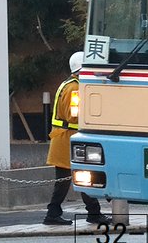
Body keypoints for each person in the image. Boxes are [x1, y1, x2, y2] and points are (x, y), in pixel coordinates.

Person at [43, 51, 111, 226]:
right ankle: (57, 213)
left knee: (79, 178)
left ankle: (90, 212)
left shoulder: (71, 84)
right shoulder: (74, 88)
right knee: (76, 178)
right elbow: (74, 115)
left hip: (67, 138)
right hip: (69, 139)